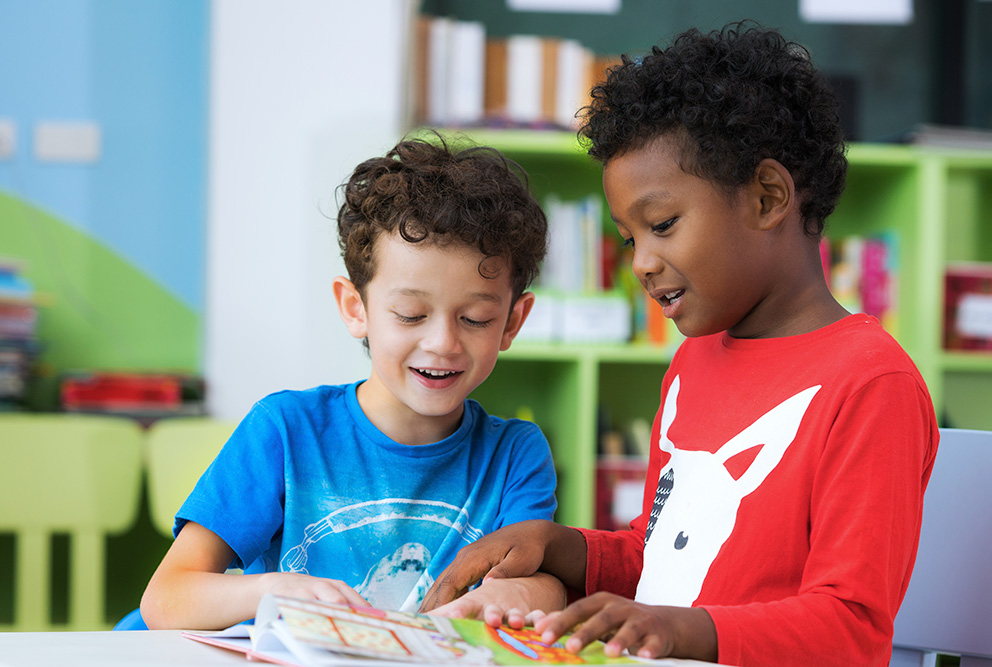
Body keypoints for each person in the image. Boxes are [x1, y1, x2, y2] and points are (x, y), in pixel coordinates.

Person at [419, 22, 939, 667]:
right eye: (630, 237)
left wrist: (678, 631)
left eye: (662, 225)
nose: (641, 262)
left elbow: (851, 629)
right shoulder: (694, 360)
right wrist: (557, 545)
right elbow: (663, 556)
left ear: (768, 196)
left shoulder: (870, 383)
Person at [139, 133, 560, 630]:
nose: (443, 343)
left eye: (475, 319)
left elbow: (545, 586)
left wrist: (517, 594)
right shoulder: (286, 430)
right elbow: (166, 599)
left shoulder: (515, 454)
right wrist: (273, 589)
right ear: (354, 308)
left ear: (512, 321)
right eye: (410, 314)